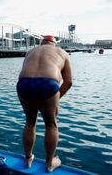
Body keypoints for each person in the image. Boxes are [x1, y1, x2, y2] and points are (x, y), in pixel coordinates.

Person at [16, 35, 72, 172]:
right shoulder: (62, 52)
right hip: (48, 83)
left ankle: (28, 158)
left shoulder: (30, 52)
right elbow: (68, 81)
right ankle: (49, 164)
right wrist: (55, 99)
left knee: (30, 122)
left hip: (24, 84)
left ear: (41, 43)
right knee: (51, 124)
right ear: (54, 44)